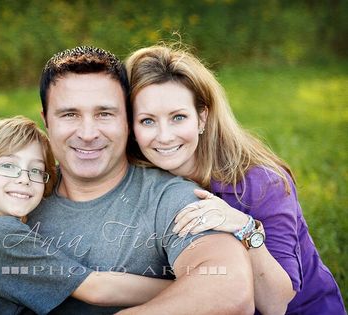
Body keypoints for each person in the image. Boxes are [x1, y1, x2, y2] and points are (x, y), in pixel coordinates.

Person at [26, 46, 254, 315]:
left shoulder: (171, 199)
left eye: (104, 114)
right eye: (69, 114)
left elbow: (230, 290)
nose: (88, 133)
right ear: (46, 121)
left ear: (128, 120)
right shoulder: (19, 195)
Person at [126, 45, 347, 315]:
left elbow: (277, 304)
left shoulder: (262, 183)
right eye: (147, 121)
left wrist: (244, 228)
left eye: (178, 117)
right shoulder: (138, 180)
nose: (164, 136)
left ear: (202, 118)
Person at [0, 116, 176, 315]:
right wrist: (185, 287)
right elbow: (97, 289)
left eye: (35, 170)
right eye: (8, 167)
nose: (24, 178)